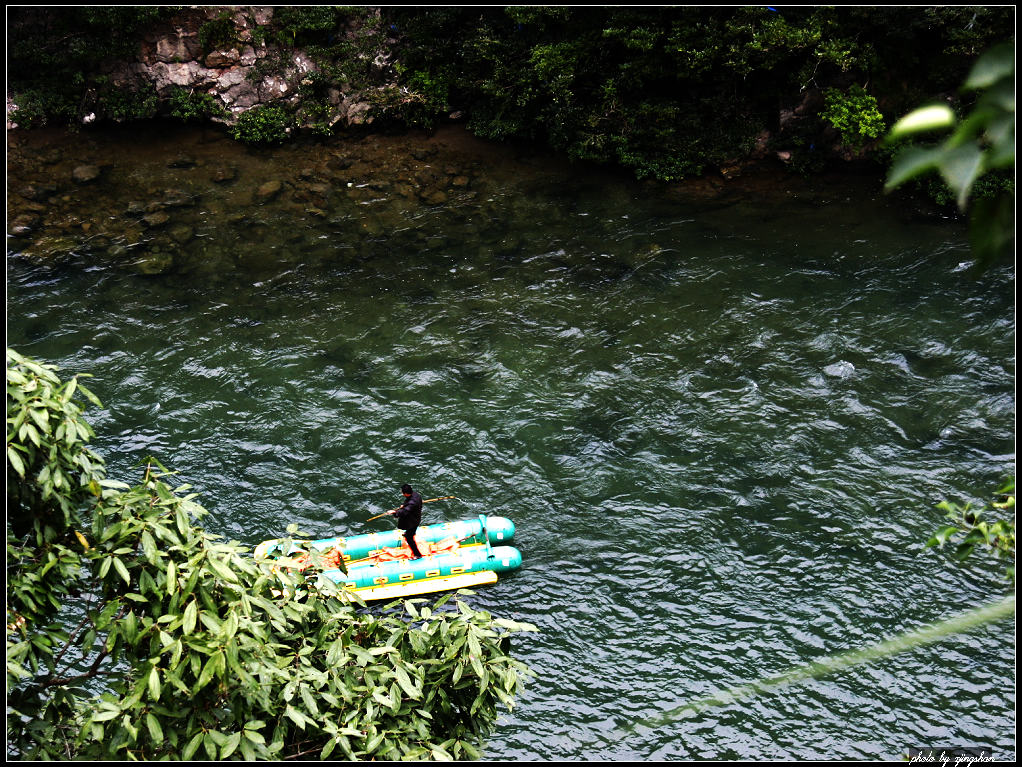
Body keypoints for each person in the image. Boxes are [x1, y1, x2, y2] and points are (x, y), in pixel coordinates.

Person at [391, 483, 423, 559]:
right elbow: (409, 504)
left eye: (403, 493)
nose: (402, 494)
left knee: (409, 538)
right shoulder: (416, 495)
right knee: (410, 532)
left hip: (413, 521)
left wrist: (394, 512)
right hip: (415, 517)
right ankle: (409, 533)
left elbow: (404, 512)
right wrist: (404, 505)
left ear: (406, 493)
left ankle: (417, 555)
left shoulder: (412, 503)